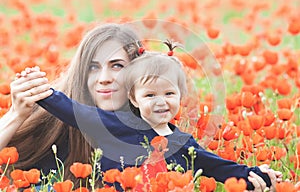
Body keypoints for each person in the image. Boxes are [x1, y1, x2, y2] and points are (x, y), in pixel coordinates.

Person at [34, 52, 282, 191]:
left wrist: (255, 174)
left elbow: (218, 167)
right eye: (150, 95)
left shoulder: (183, 142)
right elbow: (73, 111)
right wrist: (41, 90)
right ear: (134, 97)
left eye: (169, 94)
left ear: (180, 96)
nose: (161, 102)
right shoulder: (115, 124)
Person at [0, 23, 144, 185]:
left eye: (117, 66)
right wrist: (15, 115)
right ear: (81, 73)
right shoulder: (50, 117)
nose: (104, 78)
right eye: (93, 67)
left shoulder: (152, 129)